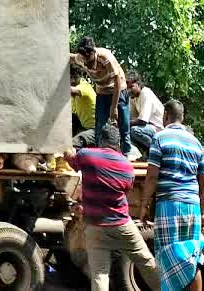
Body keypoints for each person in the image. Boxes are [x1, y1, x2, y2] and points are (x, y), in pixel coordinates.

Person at [65, 122, 161, 291]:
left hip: (95, 224)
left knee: (100, 274)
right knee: (145, 261)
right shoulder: (126, 166)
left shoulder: (87, 156)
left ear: (100, 140)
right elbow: (127, 188)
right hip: (122, 224)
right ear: (118, 144)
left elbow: (68, 155)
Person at [140, 99, 204, 291]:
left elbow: (152, 176)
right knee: (192, 257)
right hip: (192, 206)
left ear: (165, 116)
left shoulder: (160, 138)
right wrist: (202, 212)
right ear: (182, 117)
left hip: (169, 205)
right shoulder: (196, 143)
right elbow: (203, 182)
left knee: (167, 256)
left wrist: (144, 206)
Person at [76, 36, 129, 155]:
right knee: (99, 127)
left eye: (89, 60)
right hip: (102, 92)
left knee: (123, 126)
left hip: (118, 89)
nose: (87, 64)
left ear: (93, 52)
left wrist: (114, 107)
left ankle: (126, 155)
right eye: (85, 61)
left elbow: (117, 81)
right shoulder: (81, 58)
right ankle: (101, 155)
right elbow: (70, 58)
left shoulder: (106, 57)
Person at [127, 71, 164, 156]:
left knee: (134, 131)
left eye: (131, 87)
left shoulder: (145, 93)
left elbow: (142, 120)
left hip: (158, 128)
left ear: (138, 84)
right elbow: (132, 118)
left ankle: (157, 151)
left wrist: (125, 123)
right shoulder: (133, 97)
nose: (129, 90)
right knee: (126, 132)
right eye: (127, 88)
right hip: (148, 128)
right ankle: (146, 154)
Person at [71, 61, 97, 146]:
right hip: (83, 127)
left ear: (80, 76)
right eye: (70, 77)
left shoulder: (84, 87)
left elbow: (71, 90)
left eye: (75, 77)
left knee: (72, 145)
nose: (72, 80)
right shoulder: (73, 95)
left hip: (95, 130)